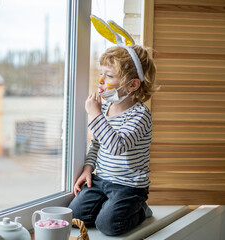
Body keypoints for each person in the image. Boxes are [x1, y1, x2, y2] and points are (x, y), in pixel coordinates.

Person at [68, 15, 158, 236]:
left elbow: (116, 146)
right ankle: (109, 207)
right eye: (101, 74)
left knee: (108, 226)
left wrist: (95, 114)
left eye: (108, 76)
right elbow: (98, 143)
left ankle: (140, 209)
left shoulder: (140, 115)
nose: (100, 80)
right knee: (74, 215)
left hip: (129, 186)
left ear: (132, 85)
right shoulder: (107, 106)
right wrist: (89, 167)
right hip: (102, 179)